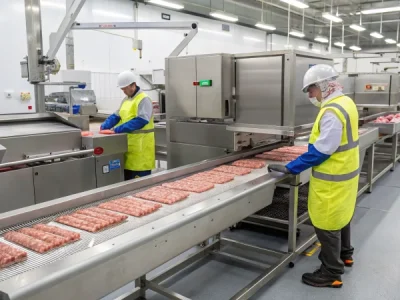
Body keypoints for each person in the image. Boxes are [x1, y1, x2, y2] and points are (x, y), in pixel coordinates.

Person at [268, 64, 359, 288]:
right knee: (341, 216)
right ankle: (345, 254)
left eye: (311, 89)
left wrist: (291, 167)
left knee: (326, 223)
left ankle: (331, 273)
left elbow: (322, 150)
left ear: (324, 85)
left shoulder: (332, 111)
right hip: (346, 175)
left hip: (332, 179)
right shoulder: (346, 102)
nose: (310, 95)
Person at [101, 70, 155, 181]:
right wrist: (105, 126)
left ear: (133, 85)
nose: (124, 91)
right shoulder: (126, 100)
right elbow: (117, 115)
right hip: (128, 147)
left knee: (140, 185)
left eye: (125, 88)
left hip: (141, 149)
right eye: (122, 89)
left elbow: (141, 120)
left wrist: (117, 129)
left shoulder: (144, 99)